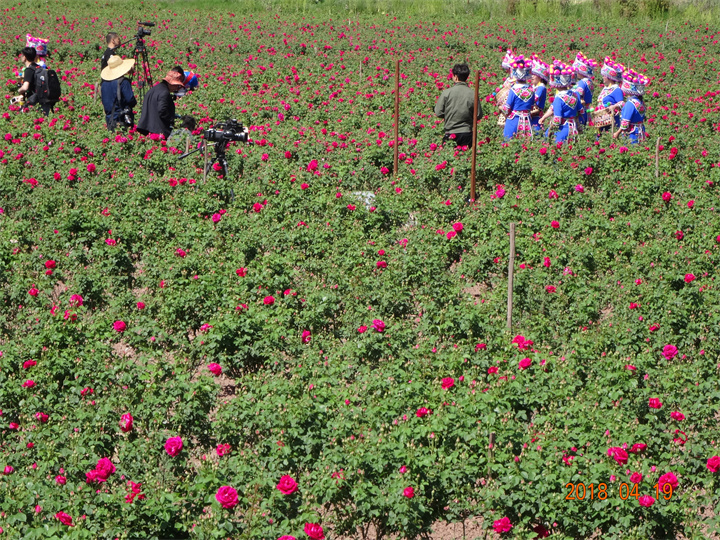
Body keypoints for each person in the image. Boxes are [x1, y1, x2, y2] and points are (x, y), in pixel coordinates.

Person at [434, 63, 481, 148]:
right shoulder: (473, 94)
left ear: (455, 77)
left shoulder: (446, 93)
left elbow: (438, 112)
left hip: (450, 133)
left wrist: (449, 115)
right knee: (466, 159)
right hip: (467, 134)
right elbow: (478, 115)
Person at [136, 68, 185, 138]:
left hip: (147, 129)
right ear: (171, 83)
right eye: (177, 85)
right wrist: (172, 120)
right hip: (158, 131)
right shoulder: (164, 92)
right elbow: (162, 111)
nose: (177, 88)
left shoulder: (153, 90)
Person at [540, 62, 580, 143]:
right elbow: (581, 111)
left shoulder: (559, 98)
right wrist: (544, 117)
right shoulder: (575, 94)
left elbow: (557, 120)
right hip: (573, 128)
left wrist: (550, 130)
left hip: (562, 129)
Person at [501, 55, 534, 140]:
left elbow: (507, 109)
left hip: (514, 120)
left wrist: (500, 107)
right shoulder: (531, 89)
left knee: (509, 143)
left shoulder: (514, 90)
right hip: (527, 121)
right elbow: (531, 106)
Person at [100, 55, 137, 131]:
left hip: (109, 119)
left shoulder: (104, 84)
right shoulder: (123, 82)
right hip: (122, 119)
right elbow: (130, 100)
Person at [614, 69, 648, 144]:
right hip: (639, 130)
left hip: (632, 133)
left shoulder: (630, 103)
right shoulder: (640, 101)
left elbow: (625, 123)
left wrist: (617, 133)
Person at [17, 46, 53, 116]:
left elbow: (25, 87)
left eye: (22, 55)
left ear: (25, 57)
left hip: (34, 102)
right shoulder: (40, 68)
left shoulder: (29, 70)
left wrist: (19, 91)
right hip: (45, 100)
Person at [596, 57, 625, 131]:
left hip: (611, 121)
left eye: (604, 76)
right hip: (602, 121)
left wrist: (614, 106)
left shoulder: (616, 90)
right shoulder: (605, 88)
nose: (602, 78)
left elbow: (622, 104)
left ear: (608, 77)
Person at [572, 52, 597, 130]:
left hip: (581, 111)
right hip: (587, 109)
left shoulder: (582, 82)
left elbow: (579, 97)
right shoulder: (589, 82)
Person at [529, 55, 549, 133]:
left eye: (534, 75)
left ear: (540, 77)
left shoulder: (541, 87)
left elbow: (534, 99)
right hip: (531, 114)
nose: (532, 77)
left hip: (536, 115)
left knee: (536, 132)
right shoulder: (533, 86)